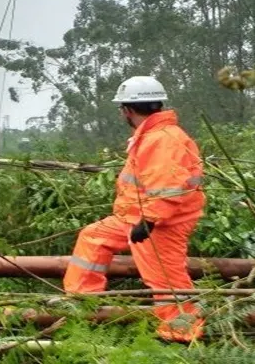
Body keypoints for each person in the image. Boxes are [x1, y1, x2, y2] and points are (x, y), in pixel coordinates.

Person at [62, 75, 206, 343]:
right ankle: (82, 305)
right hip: (134, 217)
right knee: (93, 237)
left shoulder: (162, 138)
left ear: (127, 110)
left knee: (166, 279)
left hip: (163, 223)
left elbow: (167, 186)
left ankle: (181, 333)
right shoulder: (152, 135)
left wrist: (149, 220)